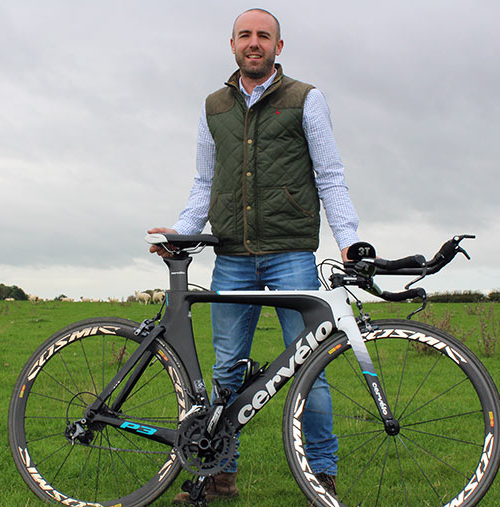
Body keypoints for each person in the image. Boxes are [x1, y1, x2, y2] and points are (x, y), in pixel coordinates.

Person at [149, 8, 360, 504]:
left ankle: (321, 477)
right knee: (225, 371)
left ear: (278, 47)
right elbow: (205, 182)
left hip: (291, 255)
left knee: (314, 369)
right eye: (245, 35)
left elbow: (329, 174)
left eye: (264, 36)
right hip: (233, 256)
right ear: (232, 44)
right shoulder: (214, 106)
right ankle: (219, 474)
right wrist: (183, 232)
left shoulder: (306, 100)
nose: (254, 43)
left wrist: (348, 239)